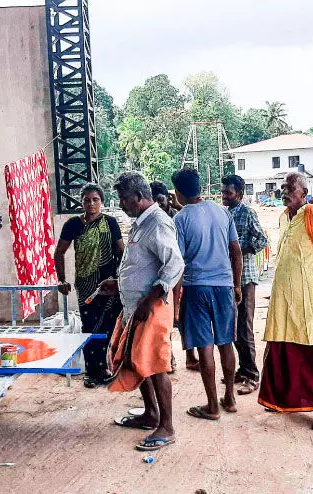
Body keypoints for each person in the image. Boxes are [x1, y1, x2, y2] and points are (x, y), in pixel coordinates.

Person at [103, 172, 185, 451]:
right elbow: (141, 265)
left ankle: (167, 426)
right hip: (134, 307)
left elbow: (174, 265)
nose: (122, 204)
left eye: (124, 199)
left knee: (156, 365)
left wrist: (149, 301)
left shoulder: (159, 222)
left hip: (150, 309)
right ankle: (151, 414)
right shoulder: (141, 223)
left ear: (138, 197)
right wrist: (119, 284)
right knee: (139, 363)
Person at [257, 172, 313, 431]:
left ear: (303, 193)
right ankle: (277, 400)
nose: (283, 192)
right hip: (282, 297)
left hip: (308, 299)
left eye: (289, 188)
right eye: (282, 187)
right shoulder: (283, 218)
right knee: (279, 347)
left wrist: (304, 276)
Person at [172, 168, 243, 420]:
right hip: (224, 287)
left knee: (205, 347)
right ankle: (230, 398)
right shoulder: (223, 212)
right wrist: (236, 285)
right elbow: (236, 251)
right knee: (226, 343)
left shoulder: (180, 219)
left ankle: (212, 406)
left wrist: (175, 301)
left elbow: (178, 264)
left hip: (196, 287)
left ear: (178, 192)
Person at [54, 184, 124, 388]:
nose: (91, 203)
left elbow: (121, 251)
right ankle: (92, 372)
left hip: (109, 285)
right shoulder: (73, 224)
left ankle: (106, 368)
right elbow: (59, 252)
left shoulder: (110, 222)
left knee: (109, 326)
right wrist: (62, 279)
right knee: (90, 326)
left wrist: (119, 278)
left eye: (95, 199)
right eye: (87, 199)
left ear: (101, 202)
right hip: (86, 285)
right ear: (81, 202)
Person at [220, 175, 267, 395]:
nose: (224, 196)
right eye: (223, 192)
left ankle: (252, 375)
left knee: (244, 329)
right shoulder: (224, 214)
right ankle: (242, 369)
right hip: (228, 278)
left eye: (228, 193)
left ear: (239, 194)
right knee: (233, 328)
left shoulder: (247, 213)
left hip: (245, 278)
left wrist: (240, 250)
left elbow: (262, 240)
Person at [151, 180, 200, 372]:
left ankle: (190, 356)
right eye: (154, 201)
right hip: (161, 276)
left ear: (168, 199)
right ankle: (168, 357)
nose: (158, 204)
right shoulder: (150, 220)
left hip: (183, 274)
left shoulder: (178, 217)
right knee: (164, 320)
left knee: (184, 318)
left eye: (161, 200)